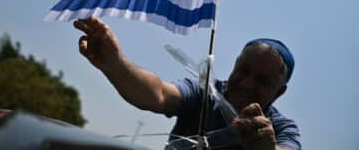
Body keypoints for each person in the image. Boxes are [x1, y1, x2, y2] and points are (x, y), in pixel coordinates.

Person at [73, 17, 302, 150]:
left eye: (262, 80)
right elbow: (158, 94)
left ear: (279, 92)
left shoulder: (282, 128)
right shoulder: (205, 93)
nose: (247, 83)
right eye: (243, 70)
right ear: (234, 65)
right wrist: (115, 64)